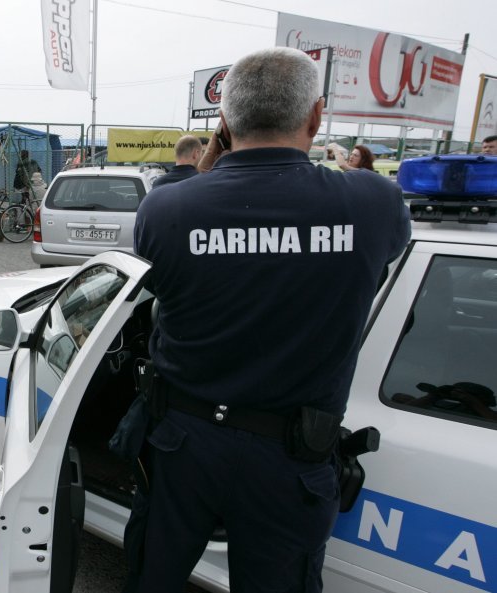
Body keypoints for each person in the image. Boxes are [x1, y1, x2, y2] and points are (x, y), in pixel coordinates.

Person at [131, 48, 410, 592]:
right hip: (292, 461)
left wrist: (214, 151)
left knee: (151, 580)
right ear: (315, 116)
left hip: (183, 446)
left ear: (226, 123)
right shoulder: (373, 202)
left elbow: (180, 219)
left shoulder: (166, 210)